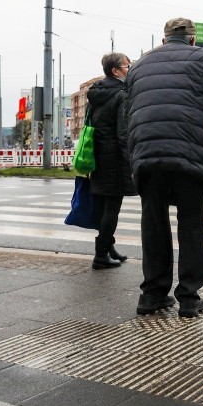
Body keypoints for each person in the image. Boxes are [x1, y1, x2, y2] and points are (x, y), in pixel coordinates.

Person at [126, 17, 203, 318]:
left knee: (153, 223)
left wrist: (134, 151)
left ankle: (152, 295)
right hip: (189, 151)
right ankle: (188, 298)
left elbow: (129, 112)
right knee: (190, 223)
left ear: (163, 40)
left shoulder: (138, 65)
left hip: (147, 154)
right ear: (192, 39)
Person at [86, 52, 136, 270]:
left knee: (106, 205)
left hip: (98, 156)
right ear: (115, 71)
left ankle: (108, 248)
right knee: (112, 208)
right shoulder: (121, 95)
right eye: (127, 66)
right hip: (114, 158)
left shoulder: (97, 94)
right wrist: (132, 160)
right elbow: (123, 133)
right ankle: (100, 256)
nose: (130, 69)